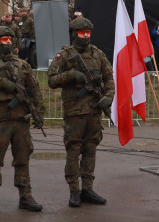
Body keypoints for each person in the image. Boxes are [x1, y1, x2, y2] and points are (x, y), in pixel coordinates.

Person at [0, 25, 45, 216]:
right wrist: (1, 83)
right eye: (4, 39)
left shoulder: (22, 64)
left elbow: (34, 89)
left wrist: (39, 112)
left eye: (9, 39)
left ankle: (26, 196)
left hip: (21, 120)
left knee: (22, 159)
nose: (8, 42)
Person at [48, 17, 114, 207]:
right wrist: (71, 75)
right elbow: (51, 79)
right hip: (74, 112)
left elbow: (109, 78)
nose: (85, 36)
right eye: (81, 33)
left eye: (88, 33)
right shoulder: (65, 54)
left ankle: (88, 188)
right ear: (74, 33)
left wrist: (108, 97)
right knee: (73, 150)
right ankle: (74, 191)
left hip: (93, 111)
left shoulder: (98, 54)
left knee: (90, 149)